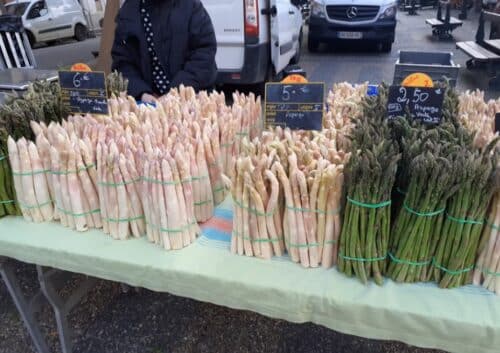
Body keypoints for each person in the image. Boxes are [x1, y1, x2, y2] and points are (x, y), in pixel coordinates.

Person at [111, 0, 217, 102]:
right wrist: (141, 93)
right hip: (147, 104)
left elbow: (204, 54)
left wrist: (176, 91)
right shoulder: (128, 11)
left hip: (190, 98)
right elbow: (122, 62)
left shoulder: (191, 6)